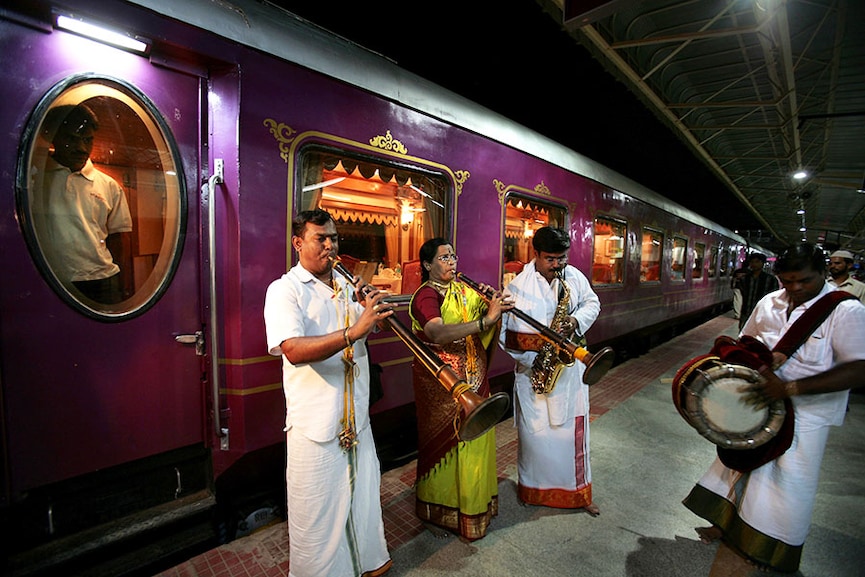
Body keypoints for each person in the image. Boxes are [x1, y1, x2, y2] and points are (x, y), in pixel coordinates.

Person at [683, 243, 865, 574]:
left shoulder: (846, 311)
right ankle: (727, 529)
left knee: (786, 486)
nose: (795, 289)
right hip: (759, 407)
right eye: (787, 281)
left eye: (805, 281)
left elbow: (858, 368)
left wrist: (791, 388)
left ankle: (766, 548)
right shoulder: (770, 302)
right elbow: (745, 342)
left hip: (808, 417)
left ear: (823, 273)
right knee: (740, 468)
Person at [263, 209, 393, 577]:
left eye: (333, 238)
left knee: (362, 503)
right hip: (316, 426)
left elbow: (367, 333)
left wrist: (372, 315)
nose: (329, 245)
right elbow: (293, 349)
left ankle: (363, 567)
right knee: (316, 517)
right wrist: (355, 330)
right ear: (298, 242)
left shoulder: (346, 284)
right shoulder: (284, 289)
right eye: (320, 238)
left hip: (356, 420)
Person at [408, 238, 512, 541]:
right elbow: (437, 332)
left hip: (476, 384)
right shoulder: (425, 296)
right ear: (428, 265)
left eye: (454, 256)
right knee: (443, 448)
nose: (452, 262)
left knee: (477, 445)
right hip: (443, 389)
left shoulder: (465, 290)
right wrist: (485, 321)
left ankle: (474, 508)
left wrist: (496, 305)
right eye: (443, 258)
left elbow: (490, 315)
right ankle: (436, 512)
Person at [499, 227, 602, 515]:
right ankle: (533, 492)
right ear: (536, 255)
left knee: (572, 435)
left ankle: (578, 495)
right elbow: (505, 333)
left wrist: (575, 319)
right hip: (533, 374)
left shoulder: (574, 277)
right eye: (551, 259)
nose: (558, 265)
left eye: (561, 258)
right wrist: (535, 360)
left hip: (568, 375)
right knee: (535, 437)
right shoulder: (516, 286)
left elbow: (593, 303)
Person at [37, 103, 132, 304]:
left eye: (87, 140)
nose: (81, 148)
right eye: (71, 139)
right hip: (52, 278)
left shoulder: (109, 185)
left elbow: (118, 239)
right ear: (55, 137)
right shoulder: (36, 181)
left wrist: (125, 286)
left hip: (103, 280)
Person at [736, 252, 778, 330]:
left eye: (757, 262)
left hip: (763, 314)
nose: (754, 264)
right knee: (743, 334)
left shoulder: (771, 280)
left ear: (763, 263)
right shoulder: (744, 279)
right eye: (752, 262)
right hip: (746, 312)